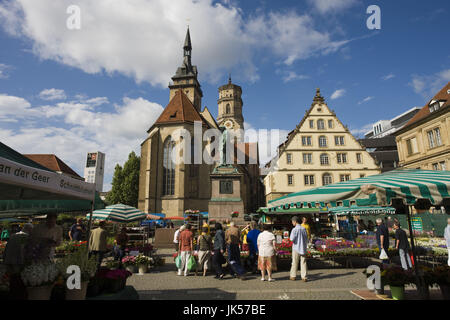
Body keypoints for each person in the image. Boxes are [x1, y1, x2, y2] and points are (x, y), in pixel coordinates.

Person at [289, 216, 308, 282]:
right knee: (303, 262)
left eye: (292, 222)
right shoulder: (303, 228)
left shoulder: (294, 229)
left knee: (294, 262)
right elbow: (306, 238)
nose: (292, 223)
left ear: (295, 221)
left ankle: (293, 276)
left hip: (296, 247)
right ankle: (304, 277)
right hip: (303, 247)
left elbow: (291, 239)